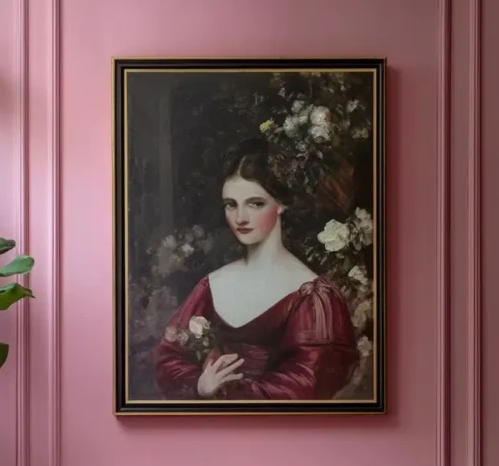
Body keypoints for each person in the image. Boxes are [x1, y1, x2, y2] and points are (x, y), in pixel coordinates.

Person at [154, 138, 359, 401]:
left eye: (255, 203)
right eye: (231, 204)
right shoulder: (212, 284)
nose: (240, 217)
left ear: (281, 204)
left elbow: (306, 382)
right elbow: (168, 356)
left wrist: (227, 394)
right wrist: (200, 386)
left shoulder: (314, 296)